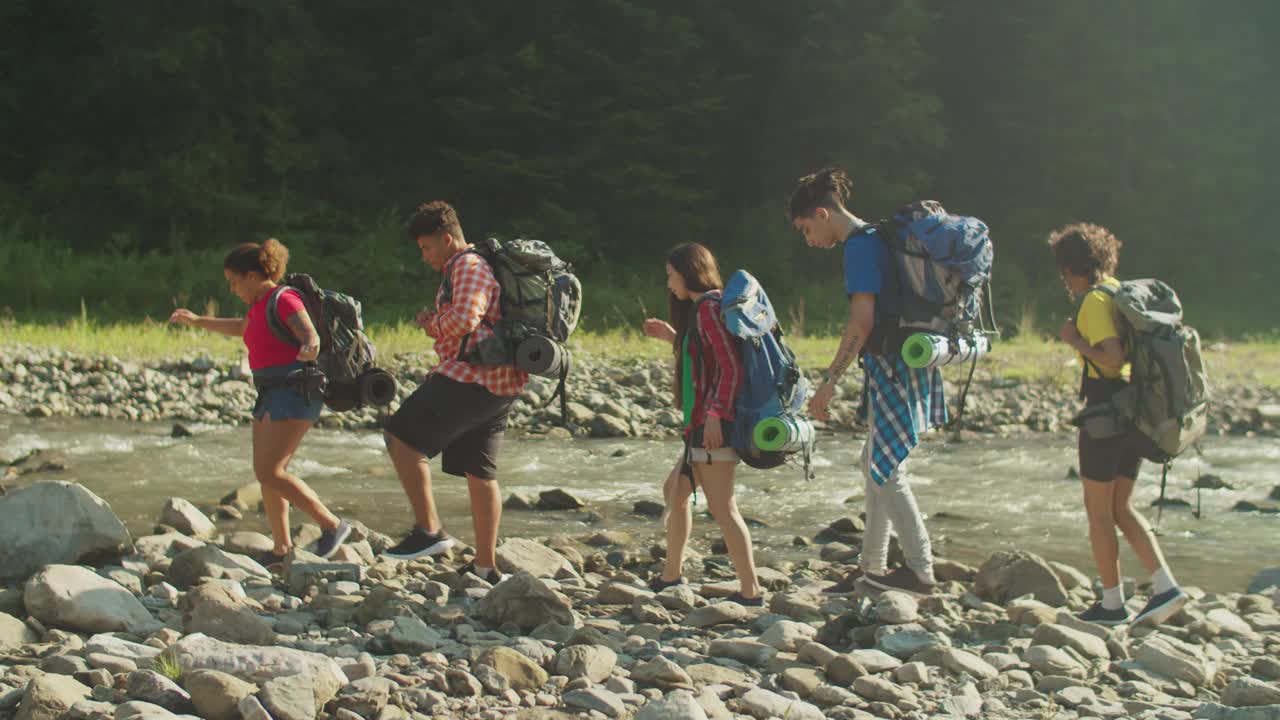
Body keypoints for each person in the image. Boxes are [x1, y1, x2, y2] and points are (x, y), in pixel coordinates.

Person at [790, 168, 943, 597]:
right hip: (902, 361)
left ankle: (920, 570)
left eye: (806, 229)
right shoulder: (878, 237)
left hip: (892, 365)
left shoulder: (859, 247)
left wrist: (829, 381)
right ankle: (872, 567)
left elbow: (861, 320)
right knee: (875, 461)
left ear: (822, 213)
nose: (808, 239)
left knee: (885, 466)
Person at [169, 239, 350, 564]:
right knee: (266, 473)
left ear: (252, 275)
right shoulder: (259, 306)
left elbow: (309, 331)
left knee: (271, 472)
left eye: (234, 281)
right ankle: (281, 548)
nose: (232, 288)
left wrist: (310, 344)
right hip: (270, 393)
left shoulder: (284, 297)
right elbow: (241, 327)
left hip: (295, 391)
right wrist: (198, 321)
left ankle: (332, 525)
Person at [380, 201, 527, 583]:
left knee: (400, 436)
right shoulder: (469, 266)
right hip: (496, 384)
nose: (425, 256)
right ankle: (485, 566)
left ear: (447, 239)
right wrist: (438, 322)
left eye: (427, 247)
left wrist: (435, 325)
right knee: (480, 473)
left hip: (471, 378)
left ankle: (429, 531)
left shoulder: (468, 265)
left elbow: (466, 317)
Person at [1050, 223, 1188, 626]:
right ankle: (1166, 587)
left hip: (1104, 413)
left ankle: (1112, 605)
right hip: (1134, 410)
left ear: (1070, 267)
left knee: (1099, 513)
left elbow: (1112, 358)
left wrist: (1073, 340)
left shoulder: (1093, 301)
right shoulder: (1117, 289)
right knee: (1121, 507)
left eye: (1064, 270)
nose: (1064, 280)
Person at [642, 243, 763, 606]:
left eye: (671, 274)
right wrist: (673, 337)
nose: (669, 283)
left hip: (715, 425)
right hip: (703, 423)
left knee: (723, 508)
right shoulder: (705, 309)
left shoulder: (709, 309)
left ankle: (751, 591)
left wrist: (715, 416)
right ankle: (671, 575)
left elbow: (730, 367)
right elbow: (708, 357)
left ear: (687, 271)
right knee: (675, 493)